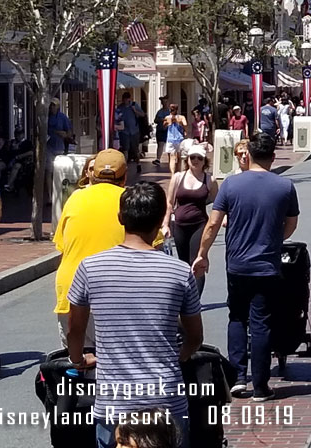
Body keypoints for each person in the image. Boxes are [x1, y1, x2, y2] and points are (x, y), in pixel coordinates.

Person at [67, 182, 203, 448]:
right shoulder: (179, 271)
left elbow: (75, 329)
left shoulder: (90, 267)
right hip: (166, 399)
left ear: (120, 217)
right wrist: (179, 356)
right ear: (161, 217)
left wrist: (78, 358)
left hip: (114, 402)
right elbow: (195, 337)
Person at [192, 131, 300, 400]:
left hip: (238, 264)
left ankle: (239, 378)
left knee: (237, 317)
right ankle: (261, 386)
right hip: (267, 264)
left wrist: (202, 253)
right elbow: (291, 224)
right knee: (262, 321)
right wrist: (273, 239)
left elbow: (213, 223)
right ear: (273, 158)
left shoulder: (230, 185)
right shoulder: (285, 186)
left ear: (248, 154)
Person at [53, 149, 130, 347]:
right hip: (116, 294)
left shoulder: (75, 199)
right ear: (124, 176)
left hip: (72, 290)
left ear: (92, 174)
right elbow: (153, 249)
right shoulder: (132, 200)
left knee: (76, 365)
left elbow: (63, 247)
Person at [163, 143, 217, 296]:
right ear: (187, 159)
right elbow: (169, 203)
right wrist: (166, 224)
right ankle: (185, 297)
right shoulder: (178, 178)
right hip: (179, 225)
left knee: (196, 260)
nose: (195, 160)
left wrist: (220, 219)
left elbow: (218, 203)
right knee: (183, 263)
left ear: (204, 161)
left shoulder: (209, 180)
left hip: (199, 225)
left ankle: (195, 300)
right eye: (192, 157)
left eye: (199, 158)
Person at [116, 92, 146, 175]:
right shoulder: (120, 108)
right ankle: (125, 167)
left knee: (135, 149)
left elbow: (143, 114)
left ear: (129, 99)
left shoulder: (134, 105)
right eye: (124, 99)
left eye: (127, 99)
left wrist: (135, 111)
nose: (126, 101)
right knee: (125, 149)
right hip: (124, 131)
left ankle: (138, 163)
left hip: (134, 131)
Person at [163, 104, 188, 175]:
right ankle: (176, 173)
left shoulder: (169, 117)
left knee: (174, 157)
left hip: (173, 139)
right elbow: (185, 124)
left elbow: (164, 126)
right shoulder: (180, 117)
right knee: (177, 157)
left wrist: (172, 122)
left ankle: (174, 173)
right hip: (177, 139)